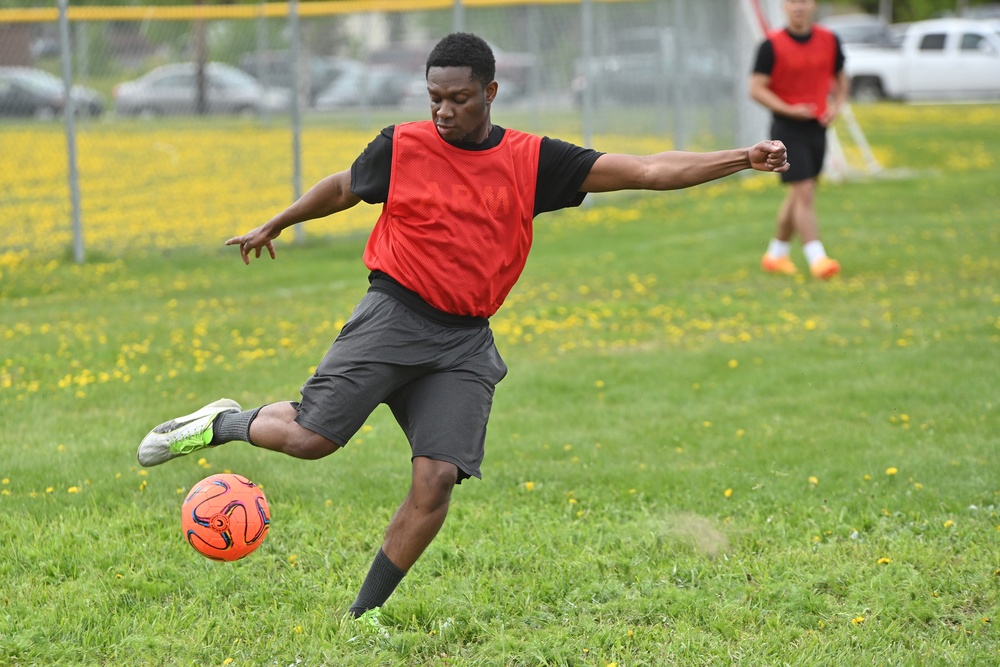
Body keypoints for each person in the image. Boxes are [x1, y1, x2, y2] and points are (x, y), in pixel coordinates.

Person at [138, 32, 789, 620]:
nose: (444, 111)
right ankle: (219, 423)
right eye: (434, 98)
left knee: (437, 479)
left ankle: (361, 618)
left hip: (463, 341)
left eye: (458, 98)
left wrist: (742, 157)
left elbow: (646, 170)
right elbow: (343, 186)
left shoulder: (532, 161)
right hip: (393, 313)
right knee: (311, 440)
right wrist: (276, 222)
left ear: (490, 93)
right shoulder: (403, 145)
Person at [750, 0, 848, 279]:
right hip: (786, 129)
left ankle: (776, 254)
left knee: (800, 193)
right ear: (783, 6)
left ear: (813, 5)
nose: (798, 7)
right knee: (803, 190)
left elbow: (841, 79)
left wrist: (836, 107)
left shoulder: (830, 40)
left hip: (817, 127)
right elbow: (756, 89)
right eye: (792, 1)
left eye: (803, 1)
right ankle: (818, 259)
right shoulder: (770, 45)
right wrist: (788, 108)